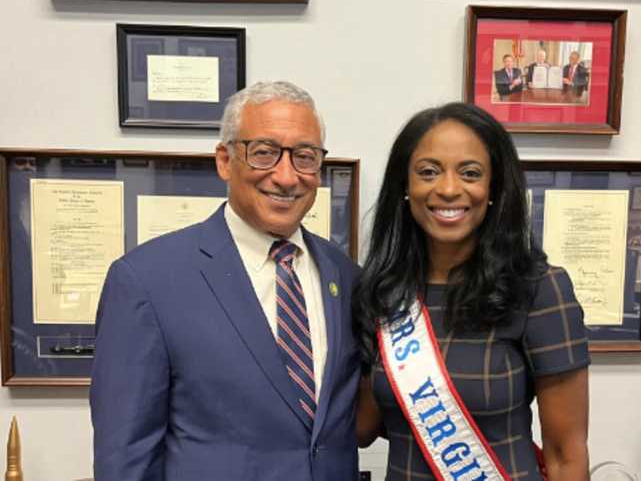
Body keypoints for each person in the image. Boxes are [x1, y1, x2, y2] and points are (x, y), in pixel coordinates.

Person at [90, 81, 361, 481]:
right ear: (224, 160)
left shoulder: (345, 275)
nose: (287, 177)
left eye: (305, 156)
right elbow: (124, 458)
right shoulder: (146, 281)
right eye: (264, 153)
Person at [353, 102, 590, 480]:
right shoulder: (384, 290)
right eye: (428, 172)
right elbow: (364, 427)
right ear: (405, 186)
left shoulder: (538, 289)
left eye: (470, 173)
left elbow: (566, 455)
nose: (448, 189)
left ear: (494, 187)